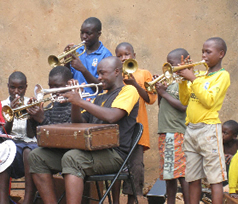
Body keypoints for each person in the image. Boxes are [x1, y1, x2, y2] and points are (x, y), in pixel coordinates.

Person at [28, 56, 140, 204]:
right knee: (37, 156)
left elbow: (113, 116)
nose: (98, 78)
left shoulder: (128, 90)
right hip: (93, 150)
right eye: (98, 73)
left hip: (115, 154)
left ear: (117, 72)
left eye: (102, 73)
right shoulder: (99, 97)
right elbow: (78, 122)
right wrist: (75, 102)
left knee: (72, 158)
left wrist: (80, 101)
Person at [177, 37, 230, 204]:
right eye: (202, 51)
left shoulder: (222, 76)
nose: (204, 55)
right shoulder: (199, 75)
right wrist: (183, 81)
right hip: (191, 129)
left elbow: (209, 101)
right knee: (193, 178)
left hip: (208, 130)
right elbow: (185, 100)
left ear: (221, 54)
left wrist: (192, 78)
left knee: (215, 178)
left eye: (208, 52)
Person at [113, 42, 157, 203]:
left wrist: (134, 85)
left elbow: (150, 99)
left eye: (126, 54)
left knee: (136, 167)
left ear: (134, 56)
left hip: (137, 131)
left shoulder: (144, 74)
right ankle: (115, 200)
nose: (123, 58)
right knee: (116, 166)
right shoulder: (115, 75)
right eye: (119, 55)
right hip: (117, 130)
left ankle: (133, 199)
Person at [155, 48, 190, 204]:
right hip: (166, 133)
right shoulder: (170, 82)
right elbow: (161, 105)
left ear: (184, 61)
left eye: (172, 64)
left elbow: (184, 106)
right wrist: (159, 91)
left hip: (176, 133)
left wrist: (164, 93)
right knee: (169, 175)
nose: (168, 68)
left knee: (182, 175)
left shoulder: (186, 82)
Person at [0, 71, 37, 204]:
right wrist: (11, 115)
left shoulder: (31, 103)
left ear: (25, 87)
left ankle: (28, 199)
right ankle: (3, 199)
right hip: (11, 144)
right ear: (8, 86)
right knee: (2, 151)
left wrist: (27, 115)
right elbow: (5, 132)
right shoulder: (2, 105)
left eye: (20, 88)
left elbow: (31, 134)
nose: (16, 92)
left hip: (29, 143)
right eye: (12, 87)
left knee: (28, 151)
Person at [64, 17, 112, 98]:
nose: (84, 36)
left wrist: (83, 69)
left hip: (93, 103)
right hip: (74, 101)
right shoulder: (77, 51)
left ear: (98, 34)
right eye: (82, 33)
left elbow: (100, 87)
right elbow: (67, 79)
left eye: (88, 33)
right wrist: (66, 63)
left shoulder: (106, 55)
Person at [27, 66, 73, 133]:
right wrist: (32, 118)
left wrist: (42, 119)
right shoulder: (50, 107)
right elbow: (40, 137)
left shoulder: (75, 109)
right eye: (50, 86)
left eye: (57, 86)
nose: (52, 90)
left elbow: (63, 136)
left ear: (69, 84)